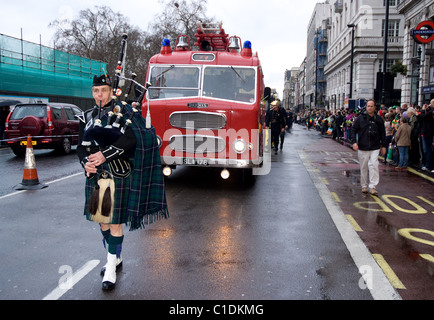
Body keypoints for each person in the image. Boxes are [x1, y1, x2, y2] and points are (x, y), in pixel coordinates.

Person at [77, 74, 169, 291]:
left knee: (115, 221)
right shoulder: (86, 116)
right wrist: (85, 163)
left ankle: (110, 268)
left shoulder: (125, 112)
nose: (100, 94)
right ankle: (115, 257)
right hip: (96, 176)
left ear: (111, 92)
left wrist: (105, 155)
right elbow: (81, 146)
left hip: (118, 174)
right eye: (96, 91)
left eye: (104, 90)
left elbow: (132, 139)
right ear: (93, 93)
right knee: (103, 221)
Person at [351, 99, 387, 195]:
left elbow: (383, 133)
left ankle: (373, 186)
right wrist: (354, 142)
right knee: (363, 167)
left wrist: (383, 145)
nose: (370, 108)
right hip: (363, 146)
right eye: (368, 106)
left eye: (372, 106)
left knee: (374, 165)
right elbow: (353, 129)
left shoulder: (379, 119)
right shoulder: (360, 118)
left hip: (375, 147)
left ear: (375, 107)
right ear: (366, 107)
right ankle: (364, 185)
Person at [420, 101, 434, 171]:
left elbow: (423, 117)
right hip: (428, 133)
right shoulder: (431, 111)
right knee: (427, 150)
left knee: (427, 150)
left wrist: (423, 110)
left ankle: (429, 166)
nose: (429, 104)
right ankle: (428, 165)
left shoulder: (432, 112)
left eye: (431, 103)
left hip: (428, 133)